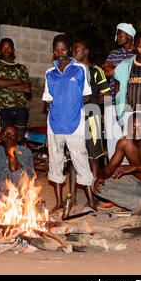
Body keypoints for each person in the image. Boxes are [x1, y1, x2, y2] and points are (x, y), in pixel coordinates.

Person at [42, 34, 95, 213]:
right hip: (55, 124)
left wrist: (70, 100)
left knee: (81, 161)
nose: (60, 53)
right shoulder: (50, 73)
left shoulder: (80, 69)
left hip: (74, 123)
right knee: (55, 164)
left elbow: (86, 95)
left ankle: (91, 202)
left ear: (70, 49)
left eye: (63, 49)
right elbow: (47, 102)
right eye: (56, 49)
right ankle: (58, 202)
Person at [71, 39, 110, 207]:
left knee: (94, 157)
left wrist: (97, 107)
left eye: (77, 50)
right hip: (73, 117)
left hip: (91, 116)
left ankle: (94, 196)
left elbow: (107, 94)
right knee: (73, 156)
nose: (74, 53)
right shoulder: (71, 71)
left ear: (86, 51)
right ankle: (71, 197)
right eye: (72, 50)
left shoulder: (96, 71)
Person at [102, 23, 136, 160]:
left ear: (129, 36)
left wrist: (115, 69)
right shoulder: (113, 53)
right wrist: (125, 71)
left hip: (132, 103)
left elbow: (135, 74)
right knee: (112, 139)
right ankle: (113, 175)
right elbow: (106, 71)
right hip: (112, 103)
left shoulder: (137, 54)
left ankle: (129, 175)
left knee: (130, 139)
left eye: (120, 34)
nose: (117, 37)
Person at [0, 38, 31, 142]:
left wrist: (4, 84)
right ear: (0, 50)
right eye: (3, 48)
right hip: (5, 109)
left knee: (19, 139)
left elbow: (27, 89)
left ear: (13, 50)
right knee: (6, 140)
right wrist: (18, 81)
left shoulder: (21, 68)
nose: (6, 50)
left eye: (8, 48)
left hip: (21, 109)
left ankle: (20, 158)